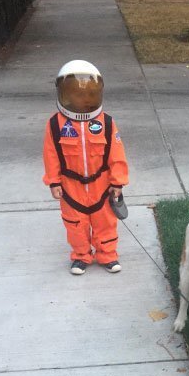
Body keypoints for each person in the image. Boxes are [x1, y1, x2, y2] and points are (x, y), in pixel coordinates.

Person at [43, 59, 129, 276]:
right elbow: (51, 155)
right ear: (64, 94)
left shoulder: (106, 123)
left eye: (90, 94)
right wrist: (53, 181)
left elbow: (117, 154)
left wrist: (117, 182)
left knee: (105, 223)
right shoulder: (56, 125)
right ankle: (81, 256)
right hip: (71, 187)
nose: (84, 99)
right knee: (75, 225)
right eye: (77, 94)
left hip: (100, 185)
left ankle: (107, 255)